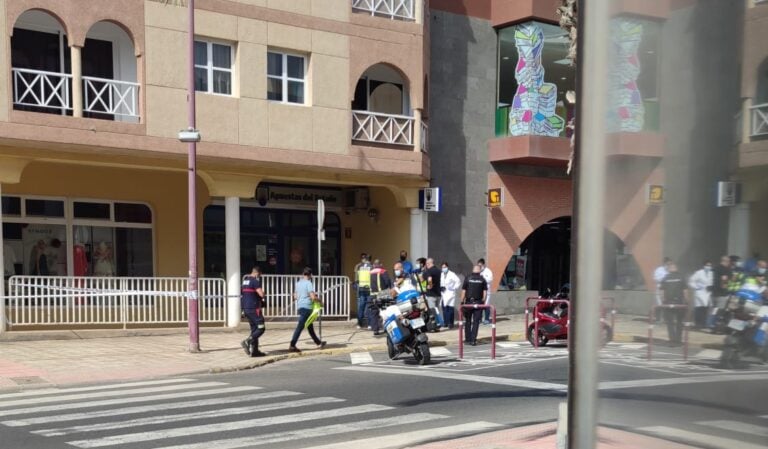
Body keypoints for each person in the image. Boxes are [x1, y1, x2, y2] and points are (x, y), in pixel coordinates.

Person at [289, 267, 326, 353]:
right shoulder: (308, 283)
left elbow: (295, 297)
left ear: (303, 274)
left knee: (310, 326)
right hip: (307, 307)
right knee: (300, 327)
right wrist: (320, 301)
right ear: (310, 275)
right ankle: (292, 345)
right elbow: (313, 297)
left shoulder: (298, 283)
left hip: (300, 307)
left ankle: (318, 343)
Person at [240, 266, 267, 357]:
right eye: (259, 274)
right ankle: (247, 341)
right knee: (261, 328)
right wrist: (263, 294)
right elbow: (261, 294)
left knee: (254, 329)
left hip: (246, 309)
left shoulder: (244, 282)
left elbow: (243, 295)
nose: (259, 276)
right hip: (254, 309)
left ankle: (255, 351)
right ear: (257, 273)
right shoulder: (255, 281)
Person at [660, 263, 687, 346]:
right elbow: (685, 290)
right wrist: (686, 301)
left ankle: (672, 339)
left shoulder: (665, 278)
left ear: (669, 269)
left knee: (670, 322)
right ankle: (678, 340)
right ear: (676, 268)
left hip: (668, 302)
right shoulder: (681, 277)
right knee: (679, 321)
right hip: (679, 302)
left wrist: (663, 301)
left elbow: (662, 291)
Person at [461, 264, 487, 346]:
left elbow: (463, 291)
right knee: (476, 322)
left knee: (468, 321)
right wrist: (483, 301)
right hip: (478, 302)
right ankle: (473, 340)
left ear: (473, 270)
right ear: (479, 270)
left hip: (468, 302)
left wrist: (462, 301)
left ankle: (467, 339)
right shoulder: (483, 279)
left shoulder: (468, 278)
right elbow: (485, 292)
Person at [368, 259, 392, 336]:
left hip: (372, 294)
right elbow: (387, 282)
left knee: (374, 312)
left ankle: (375, 330)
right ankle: (386, 328)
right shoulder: (383, 271)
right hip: (383, 294)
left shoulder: (370, 273)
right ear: (380, 264)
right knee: (385, 311)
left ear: (374, 265)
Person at [688, 260, 713, 329]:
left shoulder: (711, 273)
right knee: (699, 309)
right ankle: (698, 324)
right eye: (707, 265)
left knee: (706, 309)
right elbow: (691, 281)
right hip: (700, 293)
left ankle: (704, 323)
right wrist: (696, 287)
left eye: (710, 265)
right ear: (704, 266)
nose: (709, 267)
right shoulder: (699, 273)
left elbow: (711, 282)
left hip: (707, 293)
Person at [422, 258, 444, 331]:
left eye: (426, 264)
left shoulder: (429, 271)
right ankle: (440, 324)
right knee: (437, 310)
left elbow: (429, 279)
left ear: (428, 263)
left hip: (431, 294)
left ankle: (435, 326)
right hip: (438, 293)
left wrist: (430, 285)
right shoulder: (438, 270)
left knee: (432, 311)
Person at [440, 262, 461, 329]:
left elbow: (458, 281)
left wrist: (454, 287)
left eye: (445, 267)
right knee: (444, 308)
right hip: (443, 293)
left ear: (447, 267)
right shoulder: (442, 274)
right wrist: (441, 287)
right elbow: (440, 282)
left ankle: (450, 323)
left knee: (450, 309)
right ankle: (445, 322)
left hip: (450, 293)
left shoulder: (452, 274)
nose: (444, 268)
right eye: (442, 267)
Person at [353, 253, 372, 329]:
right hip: (369, 289)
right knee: (369, 306)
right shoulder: (371, 267)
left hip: (361, 289)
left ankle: (359, 324)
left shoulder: (360, 267)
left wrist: (356, 285)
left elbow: (357, 278)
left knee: (361, 306)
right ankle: (369, 324)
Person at [653, 257, 672, 322]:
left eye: (670, 264)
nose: (669, 265)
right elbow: (655, 278)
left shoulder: (671, 270)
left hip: (668, 290)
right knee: (659, 304)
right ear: (664, 263)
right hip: (660, 289)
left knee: (666, 305)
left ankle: (666, 319)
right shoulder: (659, 270)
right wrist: (664, 278)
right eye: (667, 264)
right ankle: (658, 319)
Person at [478, 258, 494, 324]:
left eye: (480, 265)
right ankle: (479, 319)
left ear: (483, 264)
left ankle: (487, 319)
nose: (479, 267)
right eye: (478, 265)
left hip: (487, 291)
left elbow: (490, 279)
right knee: (479, 305)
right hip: (479, 291)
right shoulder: (478, 271)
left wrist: (483, 278)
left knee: (486, 305)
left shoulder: (488, 271)